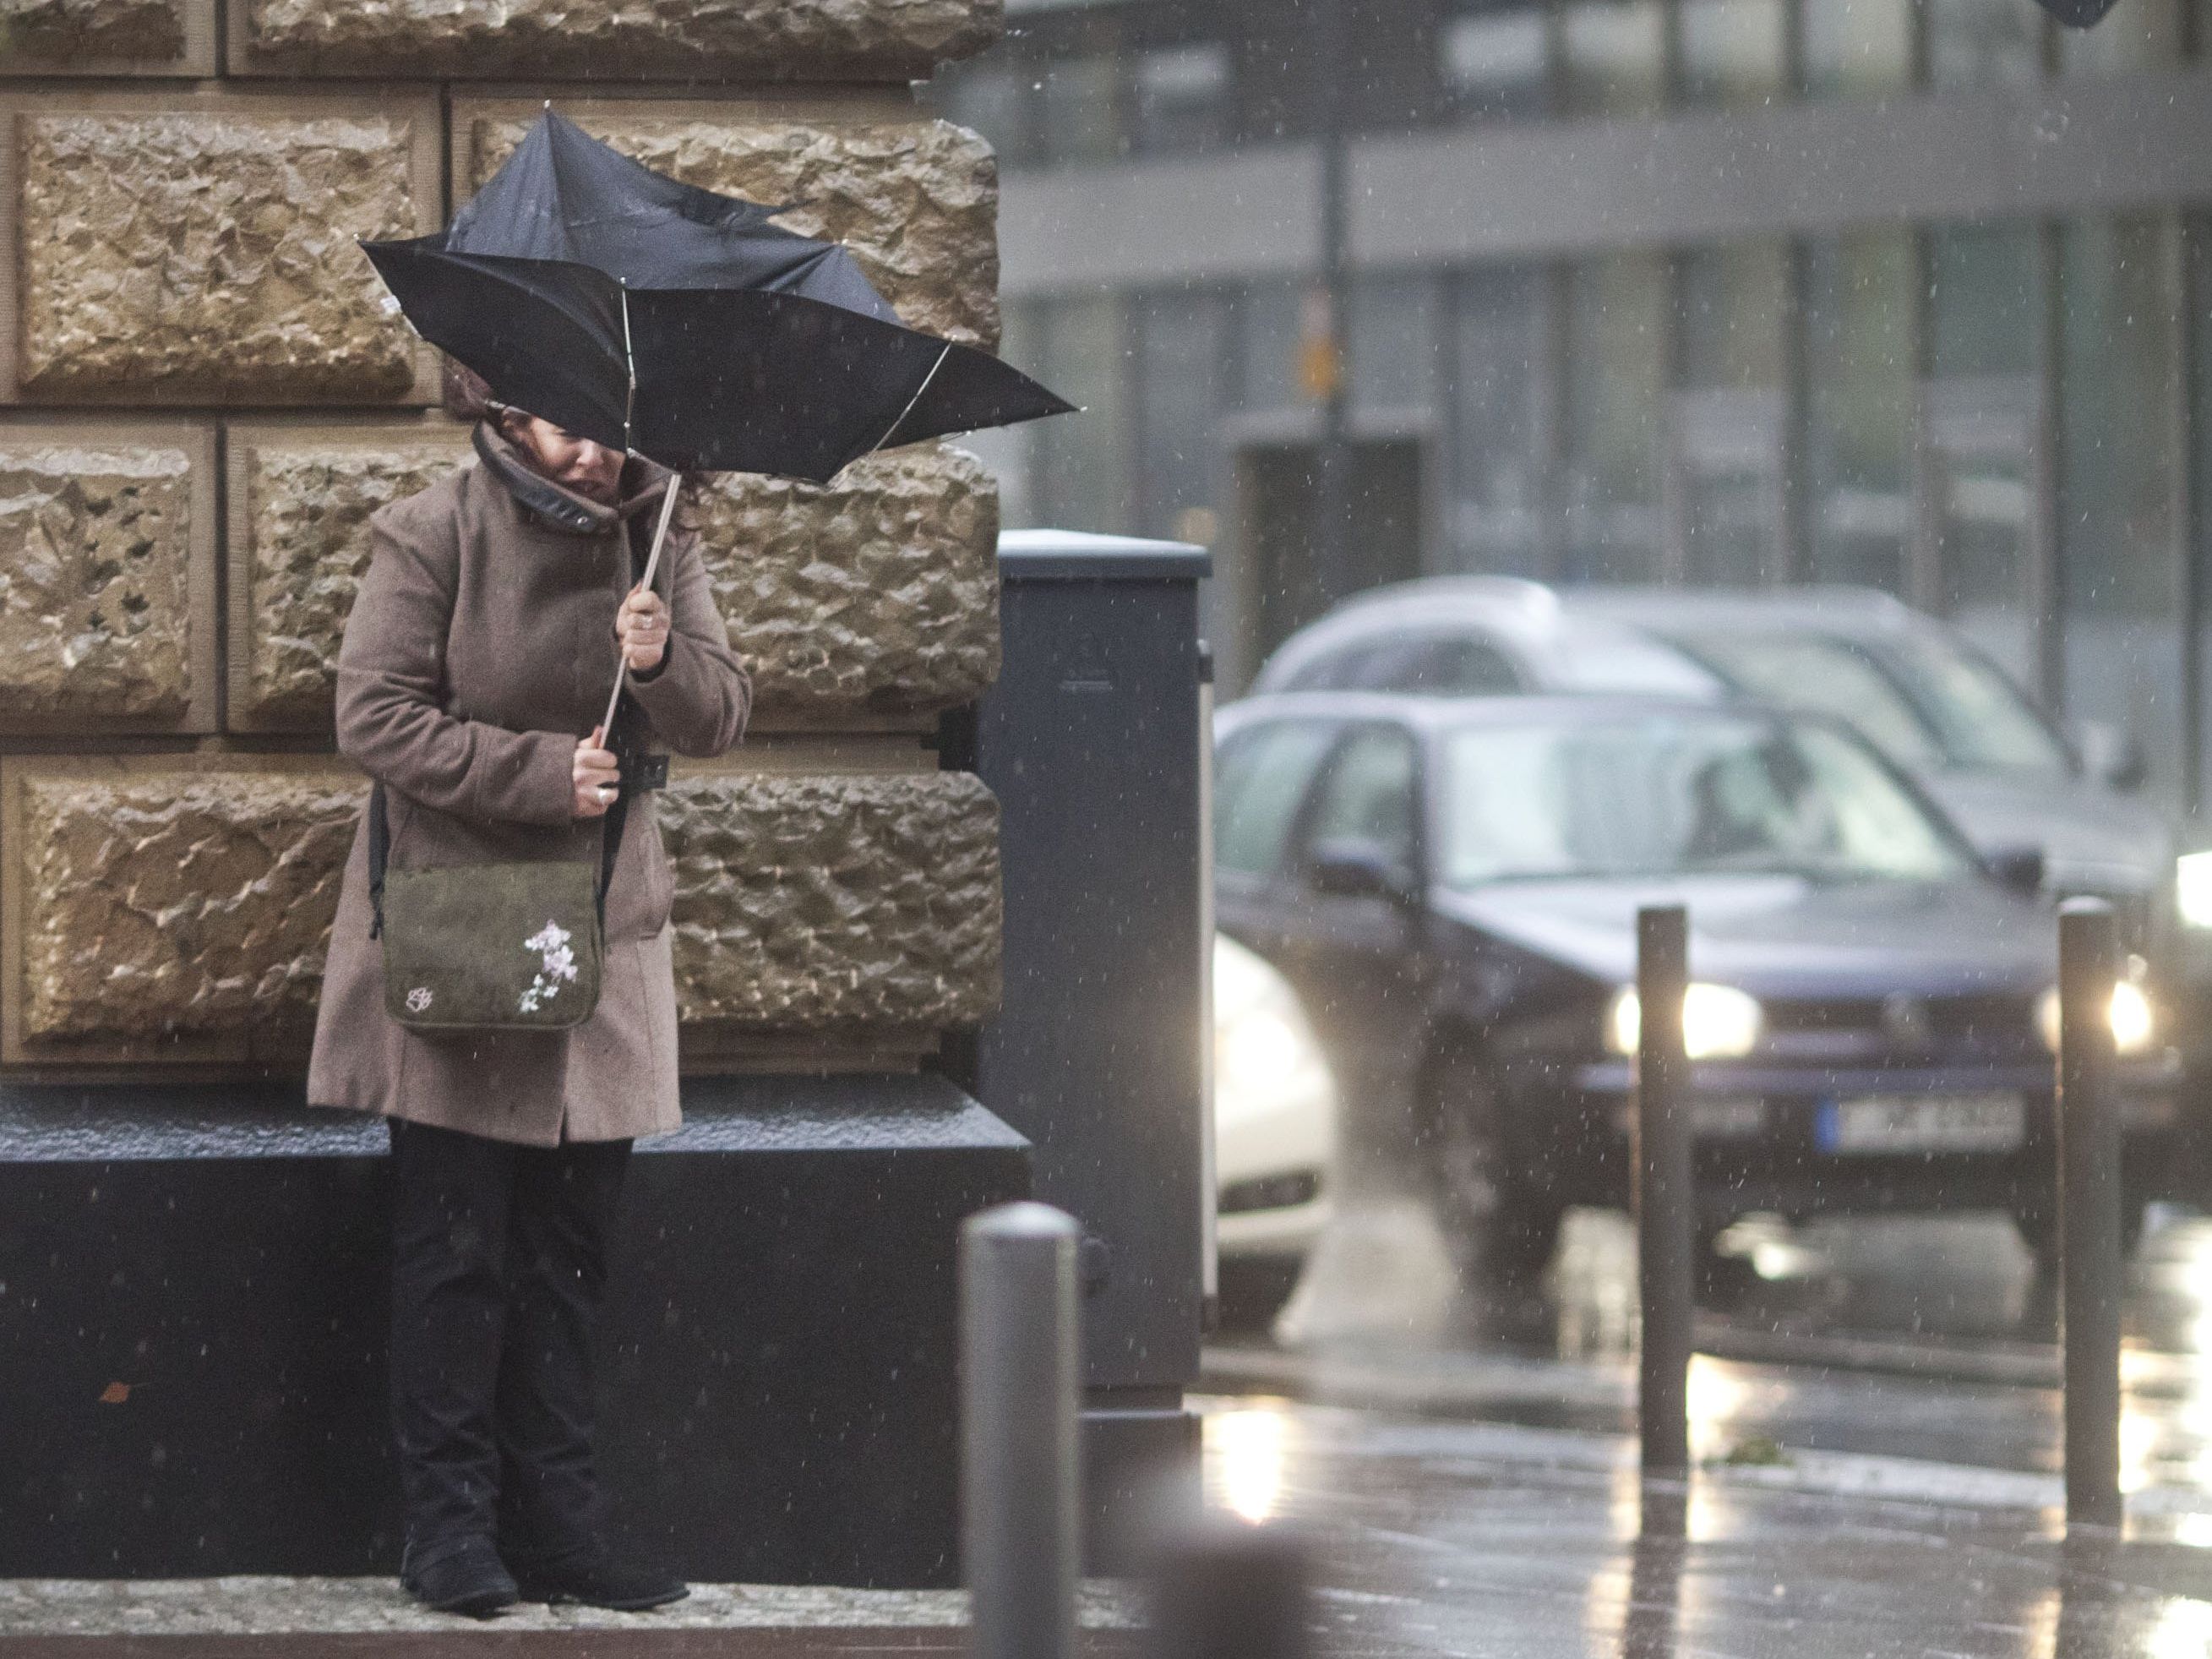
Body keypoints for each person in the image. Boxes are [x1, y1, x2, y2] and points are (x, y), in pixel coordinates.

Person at [306, 365, 750, 1617]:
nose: (599, 451)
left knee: (567, 1261)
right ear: (503, 419)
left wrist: (661, 663)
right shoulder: (432, 531)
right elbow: (374, 718)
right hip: (466, 931)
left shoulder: (664, 535)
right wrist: (537, 774)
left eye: (615, 425)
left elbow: (720, 717)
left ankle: (561, 1530)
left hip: (603, 942)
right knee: (455, 1258)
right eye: (568, 425)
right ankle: (448, 1534)